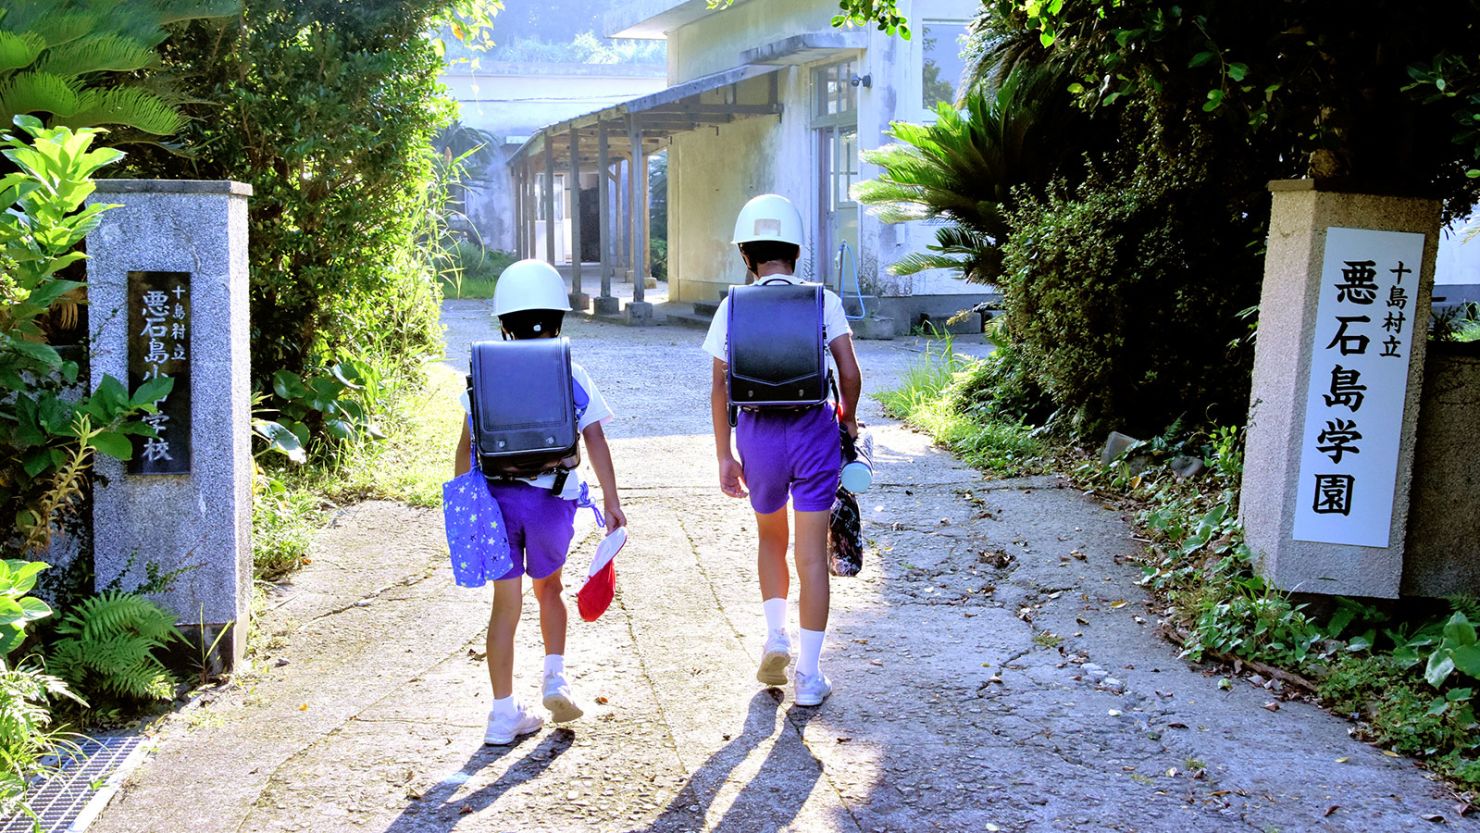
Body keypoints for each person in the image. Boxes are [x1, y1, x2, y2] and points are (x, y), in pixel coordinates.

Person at [453, 259, 628, 744]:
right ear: (558, 318)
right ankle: (555, 677)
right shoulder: (570, 368)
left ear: (504, 323)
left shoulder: (482, 372)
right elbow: (595, 438)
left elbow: (466, 444)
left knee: (504, 607)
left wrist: (470, 508)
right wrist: (612, 501)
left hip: (498, 503)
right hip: (554, 502)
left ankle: (502, 714)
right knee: (549, 590)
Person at [702, 194, 862, 707]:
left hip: (758, 436)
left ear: (746, 255)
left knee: (771, 538)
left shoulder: (732, 305)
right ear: (796, 251)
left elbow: (719, 388)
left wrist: (725, 454)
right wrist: (849, 419)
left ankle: (776, 636)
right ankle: (810, 677)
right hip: (814, 432)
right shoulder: (823, 300)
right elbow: (851, 372)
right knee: (811, 556)